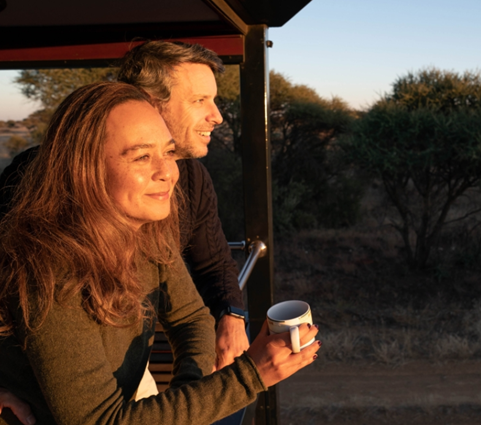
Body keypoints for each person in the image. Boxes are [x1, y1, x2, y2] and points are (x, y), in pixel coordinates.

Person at [0, 82, 319, 425]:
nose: (168, 172)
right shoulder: (52, 272)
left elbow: (191, 318)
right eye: (141, 157)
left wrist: (189, 400)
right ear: (83, 170)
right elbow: (101, 421)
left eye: (168, 152)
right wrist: (249, 377)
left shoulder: (146, 231)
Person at [1, 41, 247, 375]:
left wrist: (231, 315)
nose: (216, 116)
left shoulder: (188, 178)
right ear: (149, 102)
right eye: (199, 100)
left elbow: (211, 267)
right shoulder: (38, 176)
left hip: (128, 359)